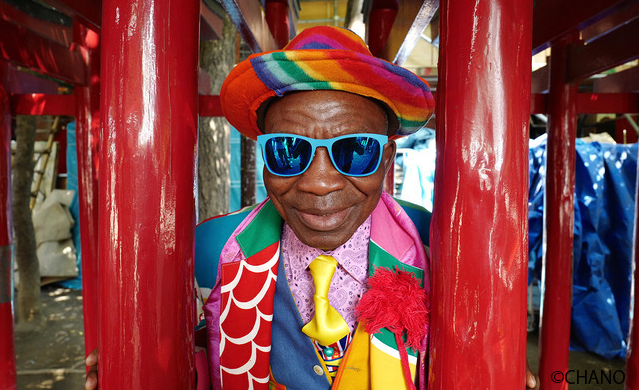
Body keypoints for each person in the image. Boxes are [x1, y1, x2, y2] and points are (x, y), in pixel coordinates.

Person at [85, 26, 538, 389]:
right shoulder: (208, 252)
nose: (319, 183)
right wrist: (138, 367)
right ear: (263, 156)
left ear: (387, 159)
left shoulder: (440, 251)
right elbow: (198, 366)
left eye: (355, 150)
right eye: (288, 150)